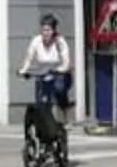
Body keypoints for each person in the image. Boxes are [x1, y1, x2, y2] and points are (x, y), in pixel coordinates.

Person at [19, 13, 75, 147]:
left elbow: (66, 62)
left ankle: (65, 118)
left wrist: (60, 69)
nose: (45, 33)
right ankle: (44, 129)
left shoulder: (60, 42)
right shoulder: (36, 41)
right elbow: (29, 58)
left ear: (54, 31)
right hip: (43, 75)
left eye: (48, 30)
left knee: (59, 89)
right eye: (43, 30)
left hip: (59, 74)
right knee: (40, 104)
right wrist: (24, 70)